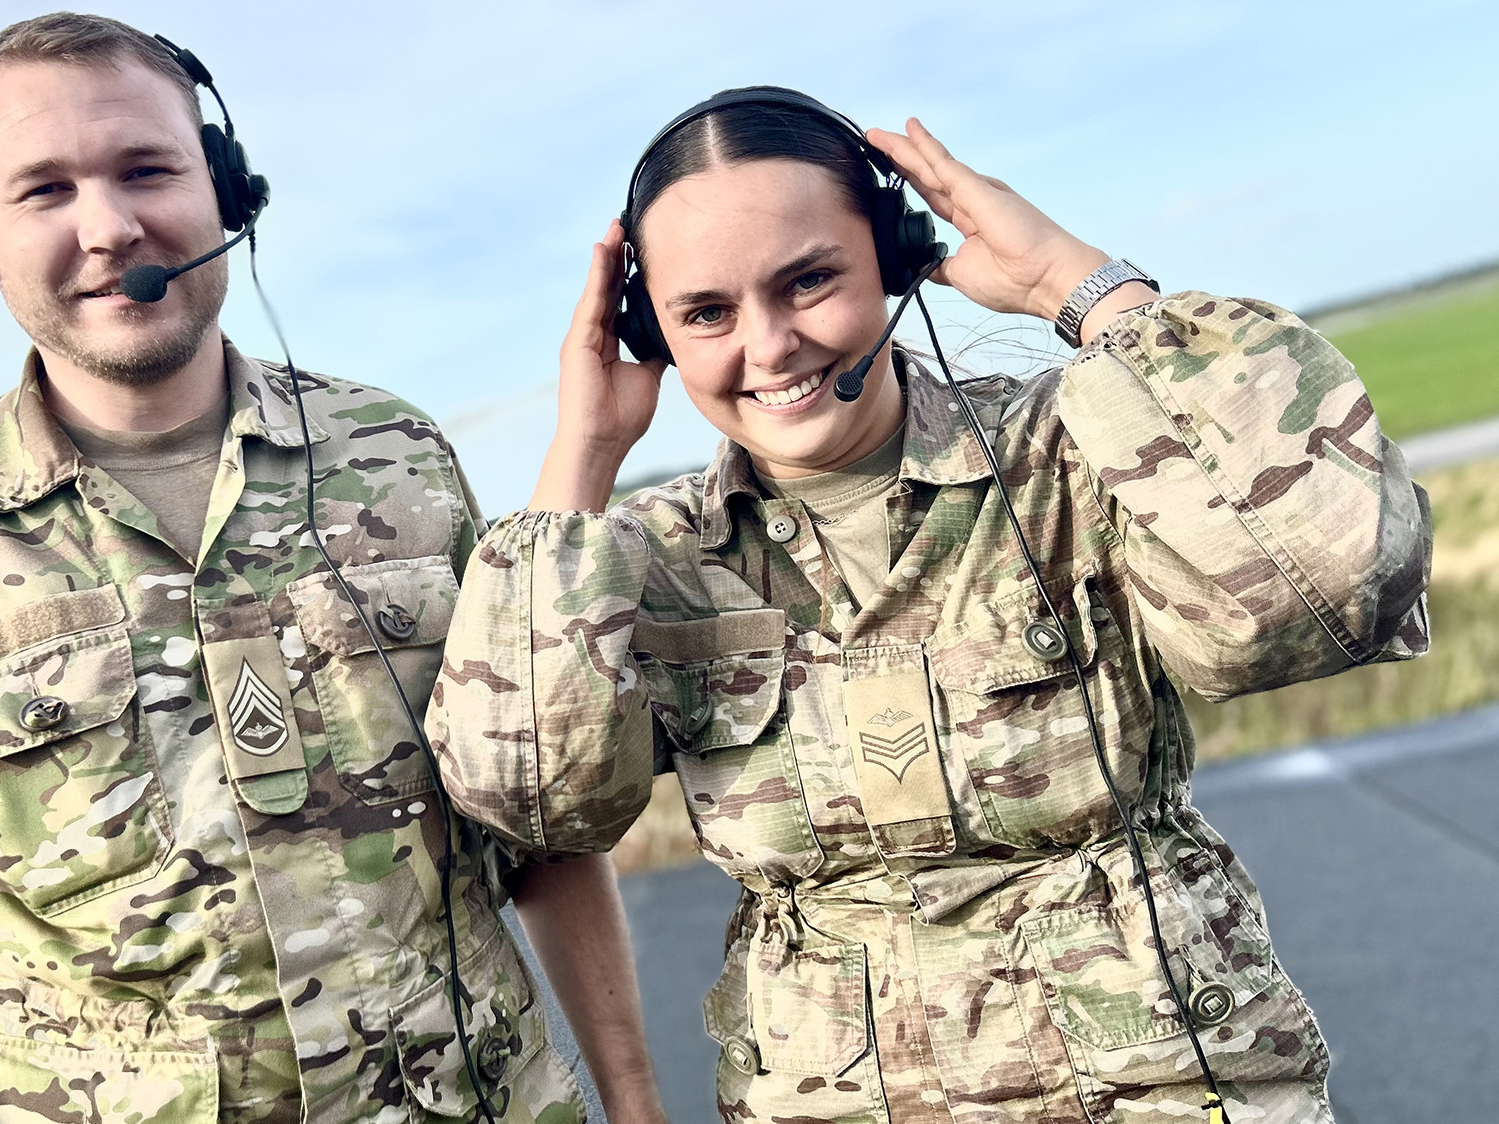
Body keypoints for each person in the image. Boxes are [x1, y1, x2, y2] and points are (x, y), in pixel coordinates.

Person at [428, 87, 1430, 1124]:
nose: (768, 345)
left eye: (808, 280)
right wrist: (582, 454)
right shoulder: (649, 560)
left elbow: (1332, 586)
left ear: (896, 256)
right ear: (651, 331)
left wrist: (1078, 287)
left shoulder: (1071, 452)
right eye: (706, 313)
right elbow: (530, 799)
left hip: (1161, 1086)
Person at [0, 13, 665, 1124]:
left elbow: (534, 824)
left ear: (226, 188)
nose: (109, 226)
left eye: (147, 169)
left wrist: (635, 1102)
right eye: (43, 190)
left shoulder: (398, 457)